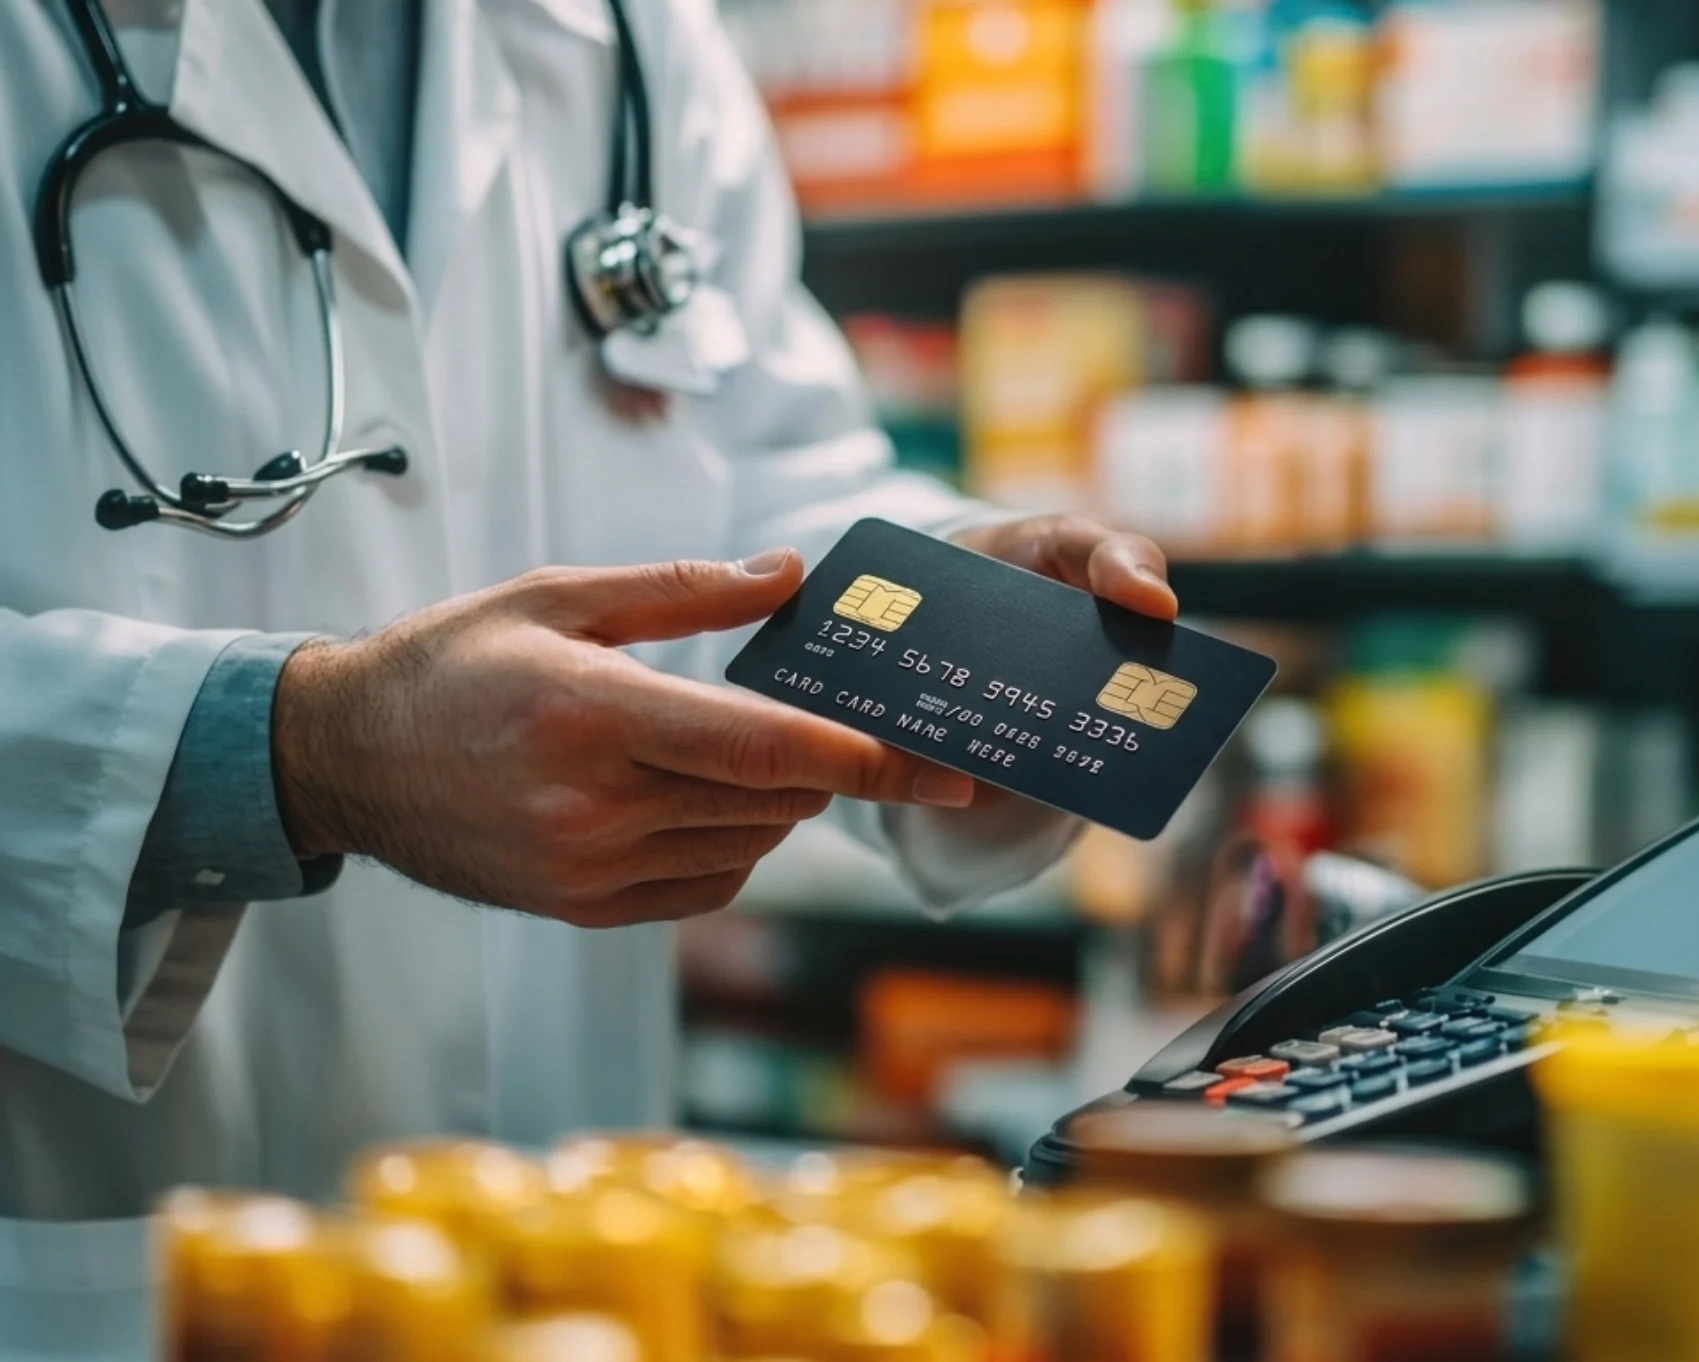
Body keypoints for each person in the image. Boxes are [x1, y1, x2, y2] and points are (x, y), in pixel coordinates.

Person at [0, 1, 1177, 1352]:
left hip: (589, 1264)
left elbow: (762, 502)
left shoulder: (633, 38)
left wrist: (971, 608)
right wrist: (296, 750)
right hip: (95, 1260)